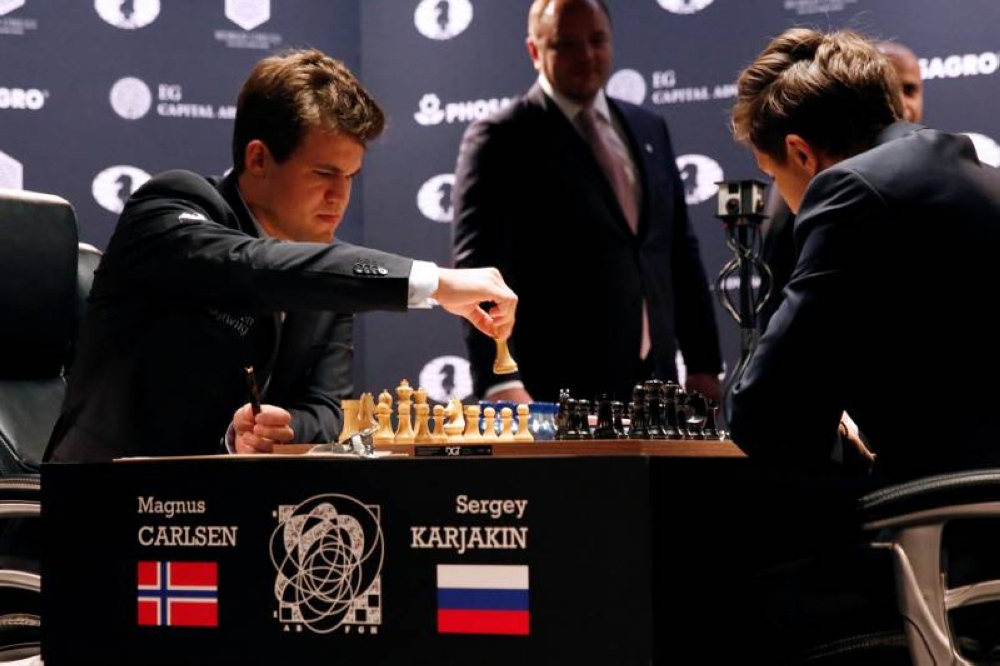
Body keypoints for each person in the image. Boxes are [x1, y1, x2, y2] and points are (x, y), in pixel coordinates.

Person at [44, 48, 518, 463]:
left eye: (350, 176)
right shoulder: (170, 206)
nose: (340, 195)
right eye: (324, 173)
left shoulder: (328, 274)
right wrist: (434, 282)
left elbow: (327, 410)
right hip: (103, 503)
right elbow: (253, 267)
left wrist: (282, 427)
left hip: (234, 512)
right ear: (258, 159)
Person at [726, 27, 1000, 485]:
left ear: (799, 153)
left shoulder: (849, 190)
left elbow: (764, 415)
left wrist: (835, 438)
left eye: (772, 174)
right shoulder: (977, 174)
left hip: (945, 517)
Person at [452, 0, 723, 406]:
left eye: (597, 40)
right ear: (534, 51)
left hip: (657, 383)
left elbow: (678, 253)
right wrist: (499, 381)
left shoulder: (649, 127)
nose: (587, 55)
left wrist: (703, 363)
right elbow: (477, 271)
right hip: (552, 389)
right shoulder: (501, 138)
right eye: (567, 44)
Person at [758, 39, 924, 330]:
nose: (904, 103)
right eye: (893, 90)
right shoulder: (806, 184)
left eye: (910, 89)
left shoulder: (930, 173)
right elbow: (780, 298)